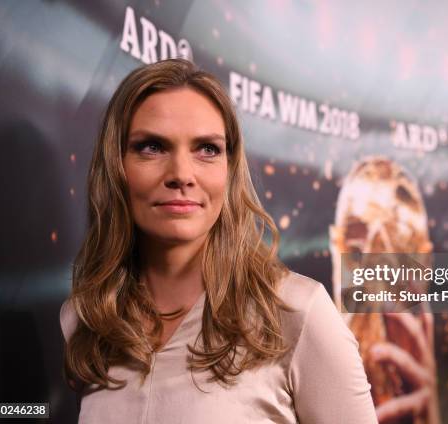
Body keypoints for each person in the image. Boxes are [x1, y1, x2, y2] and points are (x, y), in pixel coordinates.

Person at [59, 58, 378, 424]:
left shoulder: (297, 313)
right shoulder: (83, 320)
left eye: (207, 149)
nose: (181, 174)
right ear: (116, 165)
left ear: (230, 169)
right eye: (152, 147)